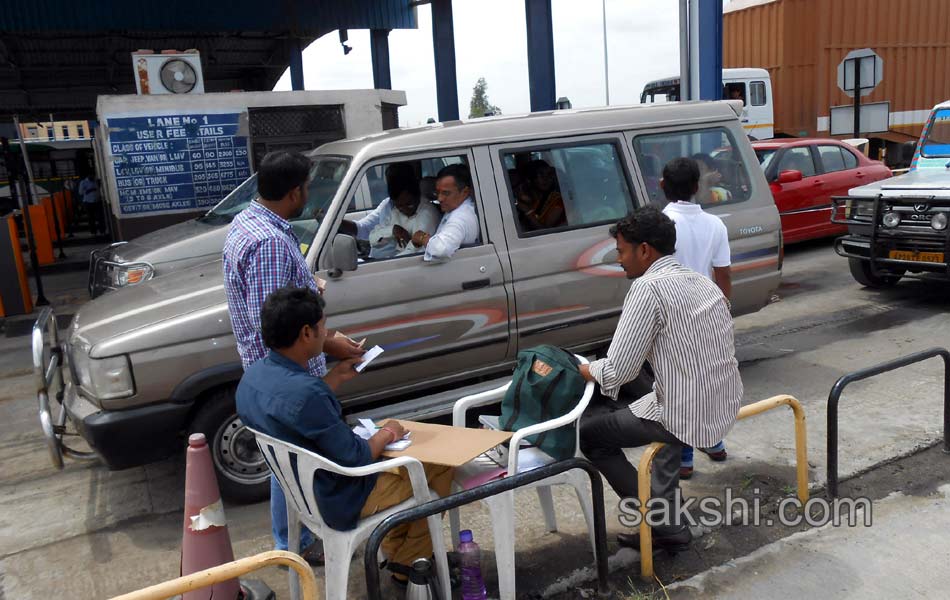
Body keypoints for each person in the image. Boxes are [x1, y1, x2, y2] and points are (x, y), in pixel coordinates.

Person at [236, 286, 454, 585]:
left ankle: (397, 549)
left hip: (302, 493)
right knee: (441, 464)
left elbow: (297, 415)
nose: (328, 334)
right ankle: (408, 564)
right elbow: (358, 457)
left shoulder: (253, 377)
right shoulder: (308, 393)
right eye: (323, 327)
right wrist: (389, 432)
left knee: (408, 466)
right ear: (306, 333)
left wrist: (335, 377)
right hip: (338, 498)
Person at [222, 151, 364, 561]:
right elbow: (274, 321)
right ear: (293, 192)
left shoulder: (251, 222)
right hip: (285, 372)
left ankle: (294, 539)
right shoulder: (267, 241)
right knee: (293, 462)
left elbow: (279, 301)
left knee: (286, 461)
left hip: (281, 370)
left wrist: (307, 285)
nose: (308, 194)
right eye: (306, 187)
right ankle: (297, 542)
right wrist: (328, 342)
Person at [578, 206, 742, 551]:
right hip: (724, 401)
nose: (619, 259)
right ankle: (670, 522)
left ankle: (661, 520)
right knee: (654, 397)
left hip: (687, 412)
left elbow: (618, 370)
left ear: (644, 250)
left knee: (591, 437)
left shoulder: (646, 288)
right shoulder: (701, 281)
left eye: (621, 251)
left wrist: (586, 369)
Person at [661, 157, 733, 479]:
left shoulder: (660, 223)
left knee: (678, 389)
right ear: (696, 187)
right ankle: (714, 442)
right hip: (706, 313)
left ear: (663, 186)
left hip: (672, 315)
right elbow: (724, 274)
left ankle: (685, 458)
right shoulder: (715, 225)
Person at [339, 162, 440, 259]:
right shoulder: (391, 207)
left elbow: (412, 253)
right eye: (400, 206)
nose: (405, 210)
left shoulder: (427, 215)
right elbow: (372, 238)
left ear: (416, 194)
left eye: (409, 204)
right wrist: (392, 230)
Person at [408, 164, 479, 260]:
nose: (439, 198)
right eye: (438, 192)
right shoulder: (457, 207)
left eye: (446, 193)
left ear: (465, 192)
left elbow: (440, 249)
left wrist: (422, 238)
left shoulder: (460, 217)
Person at [514, 159, 566, 230]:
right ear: (530, 179)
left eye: (549, 174)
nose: (546, 179)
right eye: (541, 174)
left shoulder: (557, 200)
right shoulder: (527, 198)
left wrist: (527, 211)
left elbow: (545, 231)